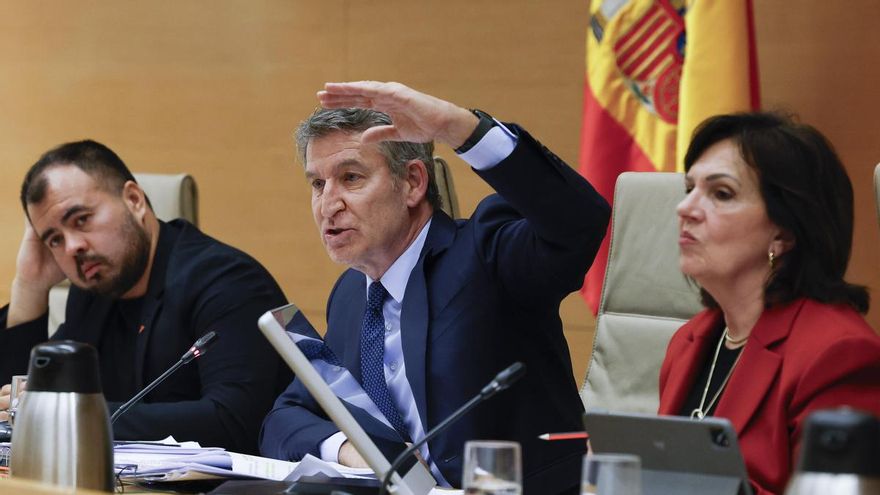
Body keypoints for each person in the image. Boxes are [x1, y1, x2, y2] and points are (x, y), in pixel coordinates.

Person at [260, 81, 610, 493]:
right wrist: (354, 451)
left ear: (412, 182)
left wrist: (458, 128)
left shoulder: (487, 254)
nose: (328, 204)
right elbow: (286, 416)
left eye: (351, 177)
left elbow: (579, 220)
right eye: (318, 184)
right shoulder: (352, 293)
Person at [0, 140, 292, 454]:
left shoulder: (228, 282)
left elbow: (234, 422)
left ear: (134, 200)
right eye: (55, 240)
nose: (72, 247)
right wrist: (29, 287)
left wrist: (74, 415)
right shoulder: (91, 293)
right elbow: (17, 409)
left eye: (81, 220)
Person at [658, 112, 880, 495]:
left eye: (721, 194)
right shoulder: (689, 341)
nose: (685, 208)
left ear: (784, 232)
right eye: (689, 188)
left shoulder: (838, 355)